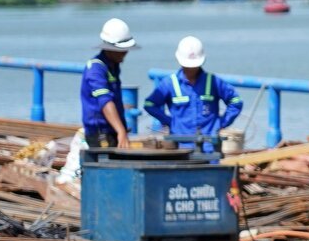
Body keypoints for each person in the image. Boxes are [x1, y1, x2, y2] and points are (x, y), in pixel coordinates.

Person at [144, 35, 245, 144]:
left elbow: (235, 101)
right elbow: (149, 104)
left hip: (210, 146)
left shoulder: (213, 81)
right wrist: (170, 122)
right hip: (180, 146)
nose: (191, 68)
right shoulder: (170, 83)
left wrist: (221, 123)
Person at [80, 18, 136, 149]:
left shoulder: (113, 66)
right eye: (122, 49)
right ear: (109, 48)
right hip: (100, 133)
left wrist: (120, 129)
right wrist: (120, 130)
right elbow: (105, 101)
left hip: (113, 130)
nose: (126, 52)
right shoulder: (95, 69)